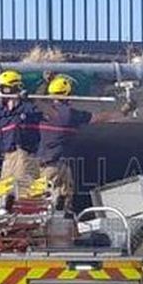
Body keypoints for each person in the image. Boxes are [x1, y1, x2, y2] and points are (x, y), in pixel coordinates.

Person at [34, 74, 131, 210]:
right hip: (61, 165)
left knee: (43, 201)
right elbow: (99, 118)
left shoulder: (42, 112)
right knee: (63, 201)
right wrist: (123, 112)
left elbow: (37, 99)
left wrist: (45, 81)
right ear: (68, 95)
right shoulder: (71, 115)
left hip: (44, 166)